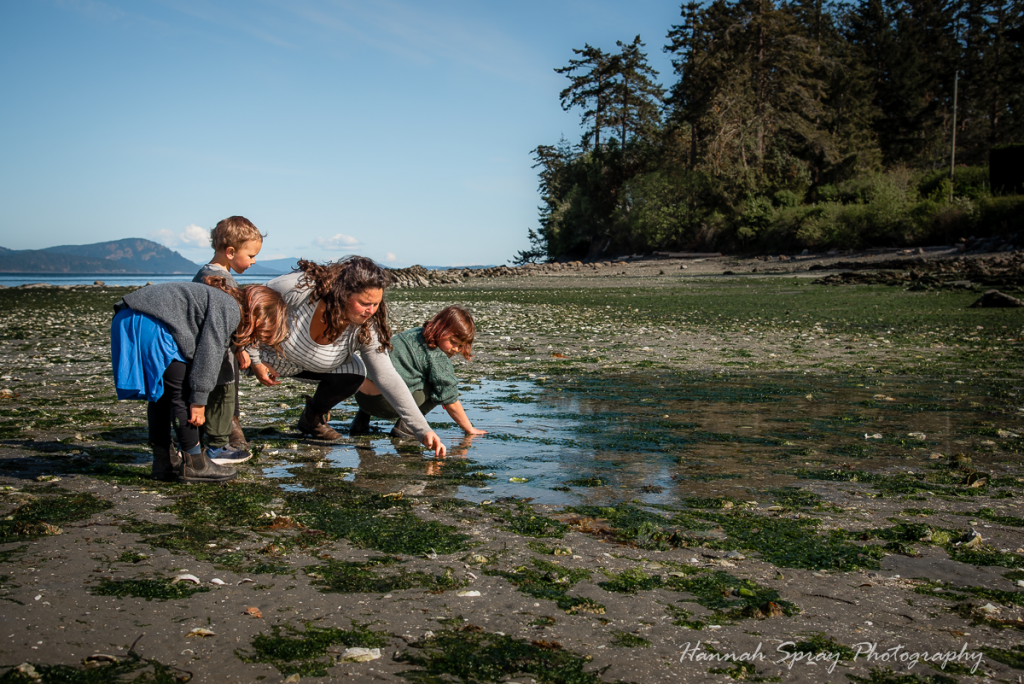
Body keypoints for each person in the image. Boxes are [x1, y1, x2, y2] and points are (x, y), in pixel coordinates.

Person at [246, 256, 447, 457]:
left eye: (376, 304)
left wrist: (423, 429)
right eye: (364, 303)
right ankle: (230, 424)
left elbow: (386, 376)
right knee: (227, 352)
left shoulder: (367, 327)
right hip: (263, 356)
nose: (371, 311)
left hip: (307, 366)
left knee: (356, 370)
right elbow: (246, 307)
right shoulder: (300, 288)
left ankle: (312, 418)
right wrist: (254, 358)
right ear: (342, 294)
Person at [110, 278, 289, 482]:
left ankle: (164, 462)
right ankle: (195, 462)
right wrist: (199, 401)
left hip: (128, 318)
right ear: (259, 313)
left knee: (160, 396)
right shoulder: (230, 308)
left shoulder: (223, 301)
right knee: (181, 394)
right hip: (153, 323)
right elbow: (209, 353)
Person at [350, 306, 486, 438]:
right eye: (453, 342)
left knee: (383, 372)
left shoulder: (414, 333)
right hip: (385, 403)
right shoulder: (436, 356)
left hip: (361, 397)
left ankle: (360, 422)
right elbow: (450, 399)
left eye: (461, 346)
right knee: (439, 386)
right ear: (440, 329)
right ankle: (406, 427)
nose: (456, 349)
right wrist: (469, 428)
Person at [192, 215, 264, 461]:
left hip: (213, 347)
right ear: (231, 252)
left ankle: (209, 442)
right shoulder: (219, 280)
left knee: (217, 394)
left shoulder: (205, 273)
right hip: (217, 350)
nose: (254, 261)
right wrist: (240, 347)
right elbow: (222, 320)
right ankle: (218, 445)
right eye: (251, 255)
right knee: (222, 394)